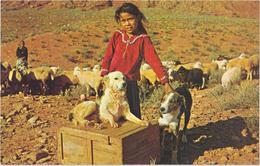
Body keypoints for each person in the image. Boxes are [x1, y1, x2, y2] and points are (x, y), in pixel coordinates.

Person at [100, 2, 173, 119]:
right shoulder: (117, 35)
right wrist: (103, 75)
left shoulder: (143, 40)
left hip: (129, 83)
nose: (127, 24)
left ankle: (135, 137)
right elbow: (108, 56)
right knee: (110, 112)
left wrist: (165, 82)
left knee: (132, 114)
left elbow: (154, 61)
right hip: (112, 83)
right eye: (123, 21)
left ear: (138, 18)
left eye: (130, 19)